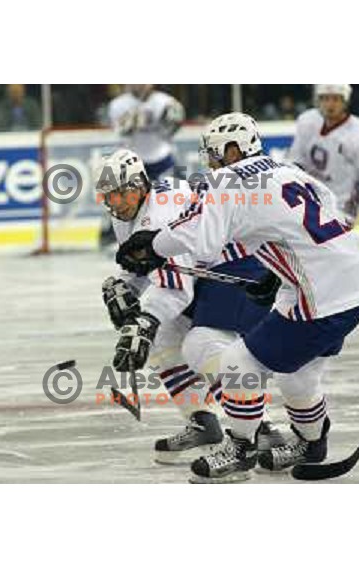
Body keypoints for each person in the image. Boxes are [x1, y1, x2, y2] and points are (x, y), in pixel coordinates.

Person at [116, 112, 359, 483]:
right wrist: (276, 269)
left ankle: (240, 449)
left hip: (315, 298)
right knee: (299, 376)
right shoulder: (289, 171)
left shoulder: (227, 179)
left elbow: (201, 238)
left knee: (237, 363)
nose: (211, 161)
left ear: (234, 149)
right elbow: (325, 216)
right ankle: (312, 445)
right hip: (350, 286)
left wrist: (151, 244)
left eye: (215, 153)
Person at [96, 149, 283, 465]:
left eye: (118, 194)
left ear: (138, 185)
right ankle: (204, 423)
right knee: (161, 339)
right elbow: (139, 264)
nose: (113, 203)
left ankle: (258, 429)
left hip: (238, 270)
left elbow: (175, 291)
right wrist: (122, 286)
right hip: (205, 274)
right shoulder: (129, 211)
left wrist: (143, 320)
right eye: (108, 197)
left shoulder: (160, 212)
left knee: (204, 346)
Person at [288, 84, 359, 239]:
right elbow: (296, 159)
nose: (330, 104)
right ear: (318, 100)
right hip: (310, 203)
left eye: (336, 99)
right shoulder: (307, 122)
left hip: (341, 208)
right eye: (325, 99)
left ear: (345, 101)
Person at [99, 85, 185, 248]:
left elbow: (171, 130)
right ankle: (112, 237)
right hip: (132, 162)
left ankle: (179, 232)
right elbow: (120, 132)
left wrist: (170, 121)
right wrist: (129, 123)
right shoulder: (118, 104)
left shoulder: (165, 101)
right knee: (121, 199)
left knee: (181, 197)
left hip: (162, 158)